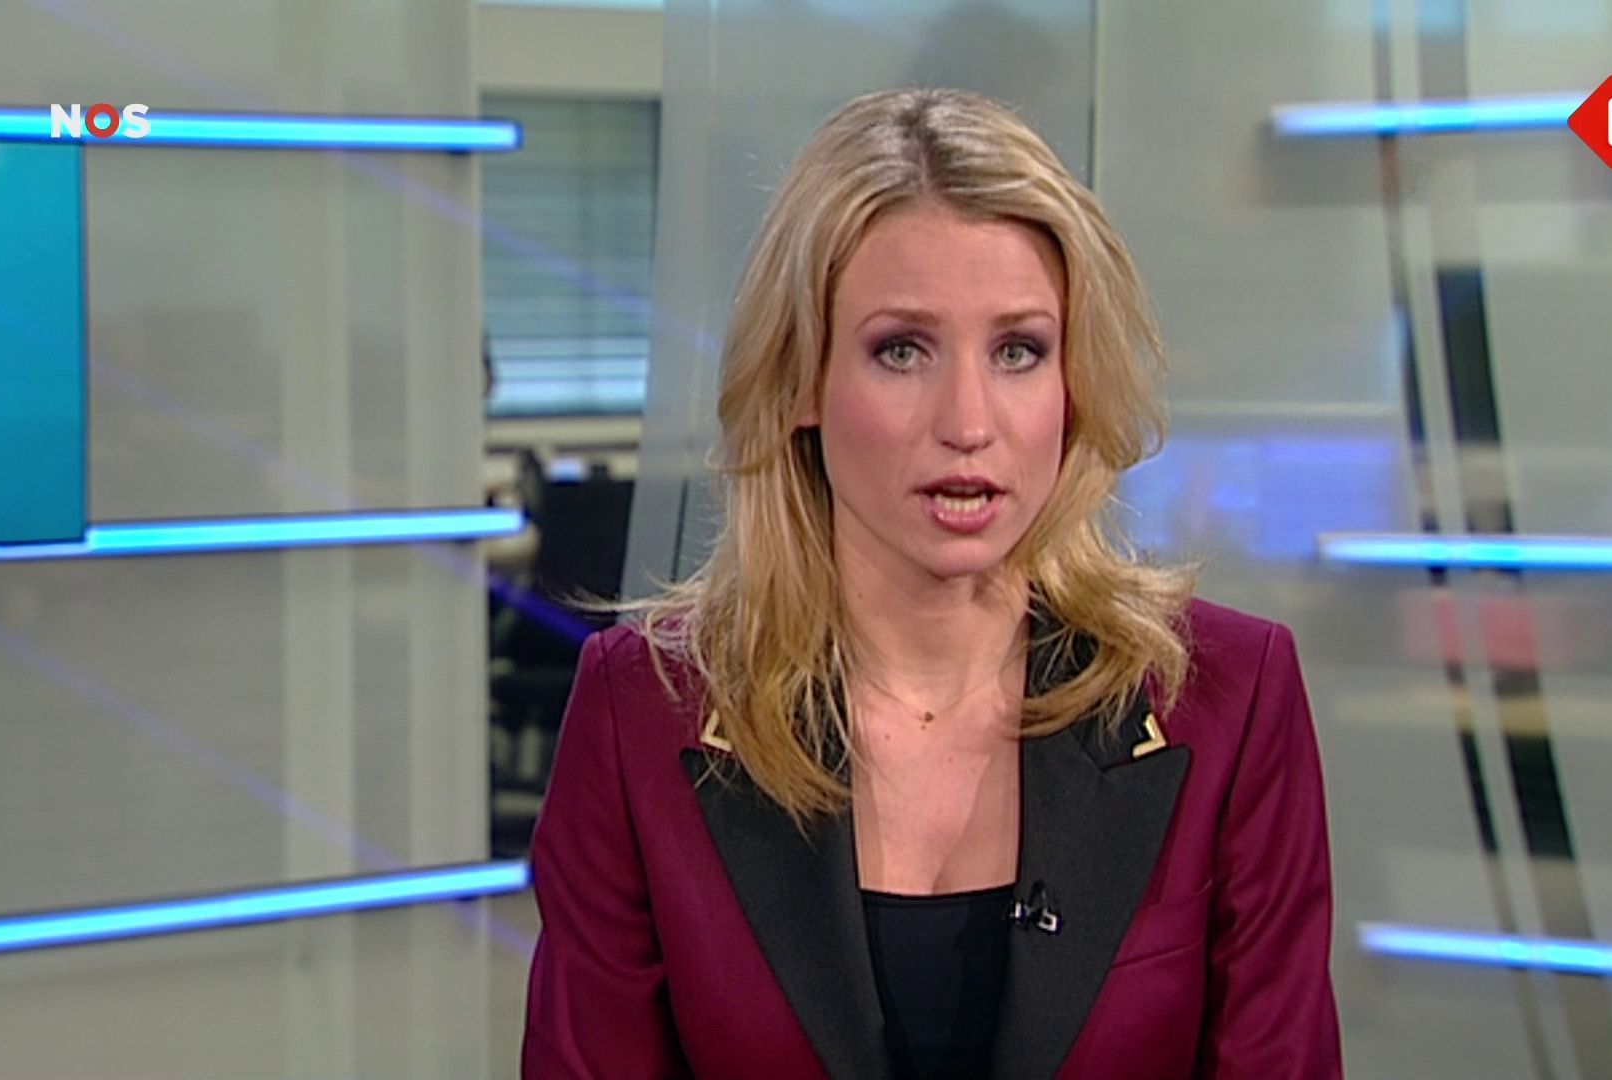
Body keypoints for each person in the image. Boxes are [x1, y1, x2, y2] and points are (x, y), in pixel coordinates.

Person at [522, 87, 1342, 1079]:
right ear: (801, 382)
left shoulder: (1226, 696)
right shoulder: (642, 713)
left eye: (1018, 351)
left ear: (1073, 385)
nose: (969, 422)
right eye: (902, 350)